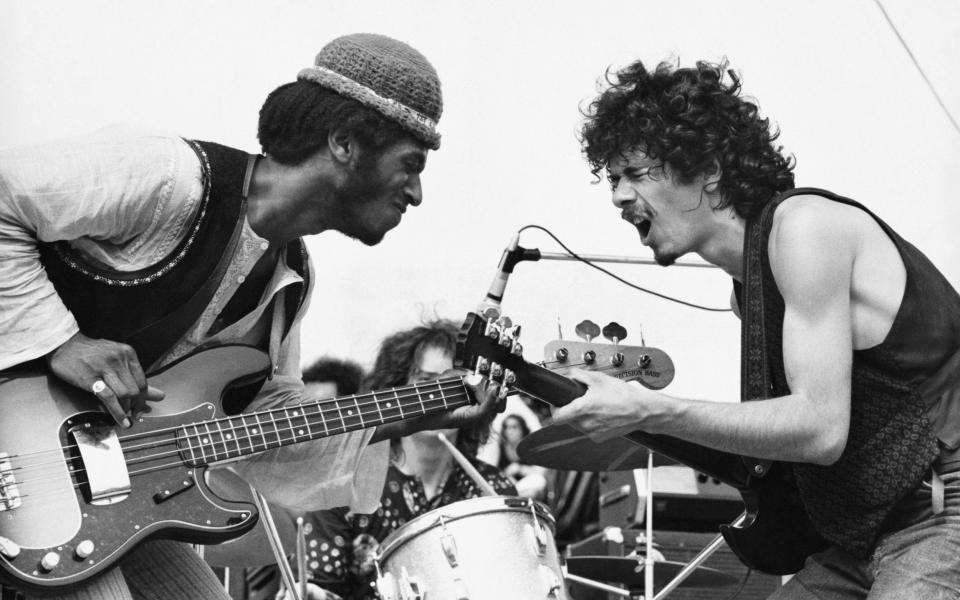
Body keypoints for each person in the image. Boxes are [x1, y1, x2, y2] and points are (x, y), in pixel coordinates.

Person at [0, 33, 500, 600]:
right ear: (343, 143)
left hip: (103, 496)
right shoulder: (168, 178)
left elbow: (266, 423)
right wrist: (63, 342)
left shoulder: (291, 279)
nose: (416, 192)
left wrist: (415, 412)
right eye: (411, 164)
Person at [552, 59, 960, 598]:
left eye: (635, 172)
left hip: (942, 513)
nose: (618, 196)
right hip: (867, 536)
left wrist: (656, 409)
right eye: (612, 179)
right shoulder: (750, 290)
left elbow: (820, 428)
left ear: (708, 167)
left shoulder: (805, 228)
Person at [278, 320, 516, 600]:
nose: (442, 395)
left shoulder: (493, 491)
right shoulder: (342, 488)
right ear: (396, 391)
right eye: (426, 382)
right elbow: (317, 586)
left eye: (456, 384)